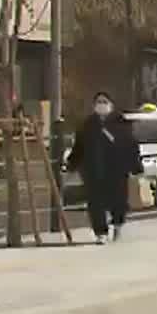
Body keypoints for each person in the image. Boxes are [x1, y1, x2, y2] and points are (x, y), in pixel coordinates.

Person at [65, 91, 141, 244]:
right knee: (95, 202)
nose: (101, 105)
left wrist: (136, 167)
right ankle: (101, 232)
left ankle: (118, 224)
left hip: (117, 169)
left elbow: (131, 146)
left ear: (111, 104)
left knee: (118, 201)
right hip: (94, 170)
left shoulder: (121, 123)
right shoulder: (87, 125)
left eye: (104, 101)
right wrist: (71, 164)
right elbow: (79, 147)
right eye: (99, 102)